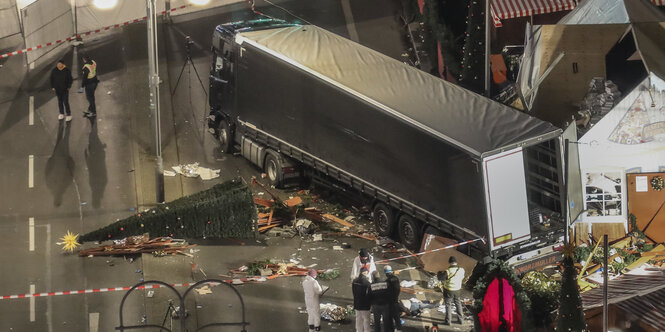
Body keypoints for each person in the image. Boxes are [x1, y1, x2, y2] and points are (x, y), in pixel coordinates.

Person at [440, 256, 465, 325]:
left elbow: (441, 278)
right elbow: (462, 277)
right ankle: (461, 320)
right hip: (457, 290)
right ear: (456, 262)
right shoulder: (462, 270)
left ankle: (448, 321)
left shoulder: (448, 271)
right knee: (458, 304)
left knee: (448, 305)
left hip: (448, 290)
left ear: (450, 263)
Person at [352, 267, 371, 332]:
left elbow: (353, 292)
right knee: (366, 320)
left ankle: (358, 330)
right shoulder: (367, 283)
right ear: (365, 273)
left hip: (357, 303)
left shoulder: (354, 281)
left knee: (358, 318)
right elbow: (369, 294)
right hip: (365, 305)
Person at [384, 265, 403, 330]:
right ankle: (399, 328)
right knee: (397, 316)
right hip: (395, 300)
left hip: (390, 302)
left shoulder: (387, 281)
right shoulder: (396, 278)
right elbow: (398, 289)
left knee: (389, 317)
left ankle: (391, 329)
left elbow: (386, 292)